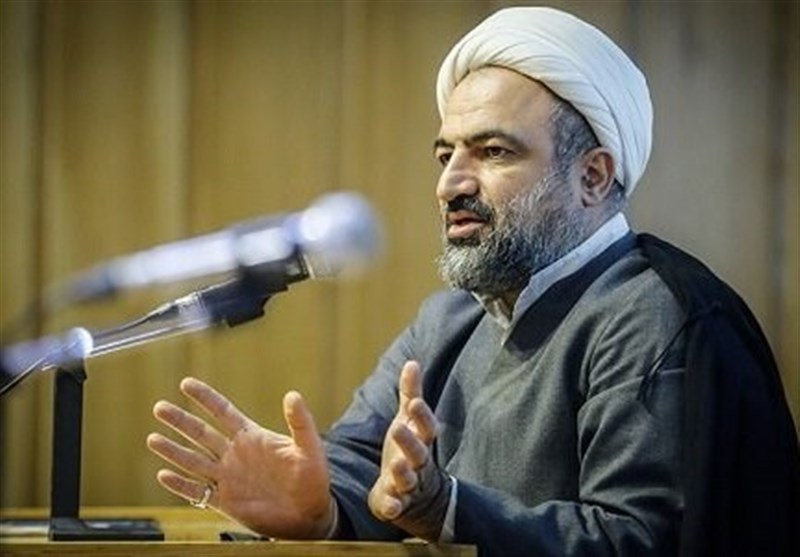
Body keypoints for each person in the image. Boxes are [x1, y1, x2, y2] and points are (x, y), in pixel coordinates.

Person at [146, 7, 799, 556]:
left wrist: (446, 508)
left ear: (593, 176)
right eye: (445, 154)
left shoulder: (655, 316)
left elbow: (638, 541)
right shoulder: (451, 318)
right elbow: (362, 460)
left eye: (493, 151)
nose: (450, 183)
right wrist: (323, 506)